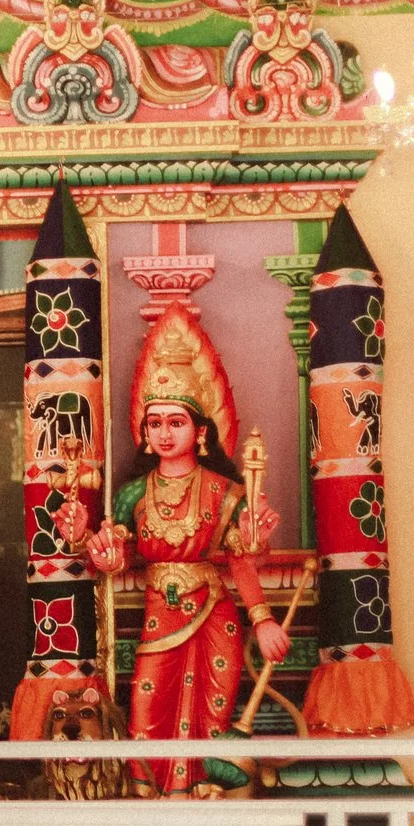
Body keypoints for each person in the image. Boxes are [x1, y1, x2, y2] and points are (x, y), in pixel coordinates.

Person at [59, 306, 287, 796]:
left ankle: (207, 790)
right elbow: (113, 555)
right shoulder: (132, 494)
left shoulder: (226, 493)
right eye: (155, 422)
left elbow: (243, 558)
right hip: (159, 617)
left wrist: (264, 618)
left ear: (200, 432)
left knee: (213, 709)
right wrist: (87, 541)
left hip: (214, 613)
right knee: (146, 708)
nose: (165, 432)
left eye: (176, 422)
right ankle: (152, 800)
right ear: (144, 430)